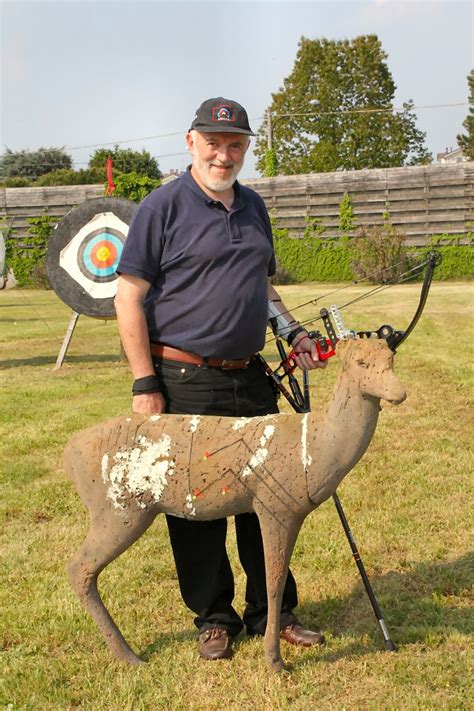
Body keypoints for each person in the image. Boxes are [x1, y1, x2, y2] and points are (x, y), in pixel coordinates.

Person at [115, 97, 326, 661]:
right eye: (213, 143)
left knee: (270, 499)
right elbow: (128, 297)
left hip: (250, 378)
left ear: (246, 149)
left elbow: (264, 287)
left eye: (235, 145)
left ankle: (272, 613)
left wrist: (295, 333)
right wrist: (144, 383)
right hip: (184, 379)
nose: (224, 154)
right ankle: (213, 617)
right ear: (191, 143)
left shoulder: (254, 206)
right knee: (194, 502)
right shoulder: (161, 207)